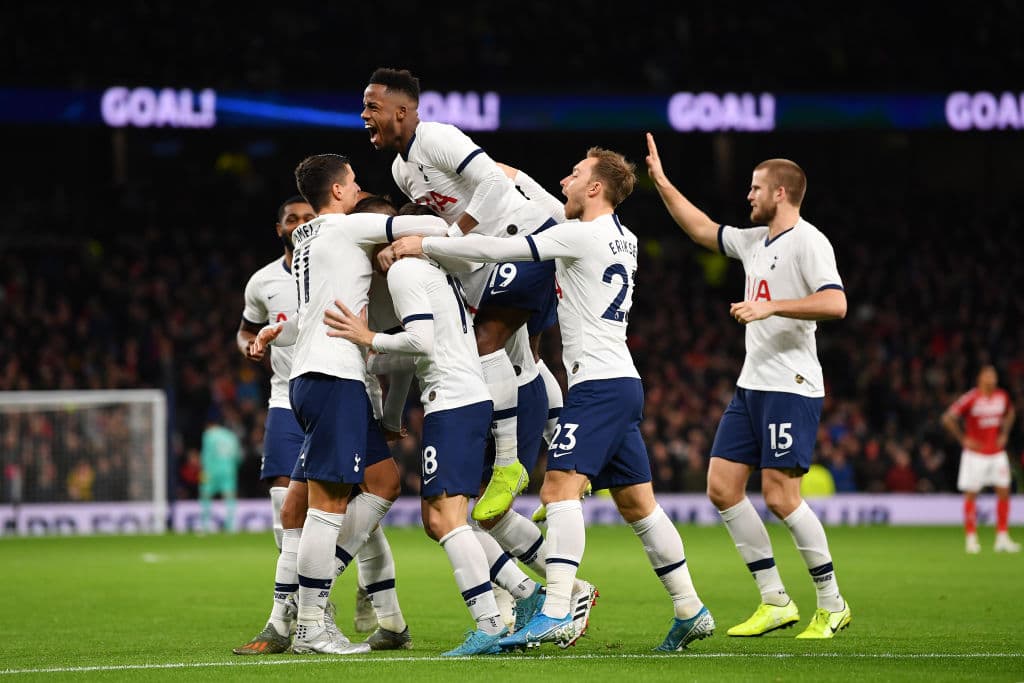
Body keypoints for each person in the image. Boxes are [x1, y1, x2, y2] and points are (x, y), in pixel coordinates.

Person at [393, 146, 714, 653]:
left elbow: (495, 251)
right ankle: (690, 608)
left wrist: (424, 247)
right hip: (622, 382)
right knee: (638, 504)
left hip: (598, 389)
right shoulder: (622, 237)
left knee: (558, 490)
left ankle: (558, 611)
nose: (564, 179)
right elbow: (541, 197)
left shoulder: (577, 236)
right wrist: (496, 169)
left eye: (575, 173)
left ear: (594, 189)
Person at [644, 132, 851, 640]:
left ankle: (832, 602)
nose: (749, 196)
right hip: (752, 385)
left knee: (781, 497)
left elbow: (835, 303)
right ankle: (775, 599)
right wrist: (663, 183)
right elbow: (701, 229)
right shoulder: (755, 241)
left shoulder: (809, 241)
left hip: (791, 384)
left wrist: (772, 306)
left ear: (781, 193)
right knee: (722, 487)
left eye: (756, 188)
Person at [252, 154, 448, 655]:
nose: (360, 189)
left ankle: (312, 591)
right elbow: (431, 222)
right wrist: (408, 237)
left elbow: (319, 307)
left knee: (383, 482)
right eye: (354, 182)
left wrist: (279, 330)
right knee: (328, 505)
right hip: (333, 376)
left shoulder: (305, 237)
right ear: (337, 191)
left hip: (318, 376)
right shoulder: (347, 227)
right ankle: (311, 625)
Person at [362, 67, 563, 521]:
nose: (364, 115)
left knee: (486, 340)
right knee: (521, 357)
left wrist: (451, 237)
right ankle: (567, 456)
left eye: (372, 107)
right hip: (486, 258)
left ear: (402, 110)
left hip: (523, 238)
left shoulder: (436, 136)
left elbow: (493, 182)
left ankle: (510, 465)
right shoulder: (400, 170)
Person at [233, 193, 413, 655]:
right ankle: (300, 619)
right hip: (316, 388)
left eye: (306, 219)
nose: (300, 225)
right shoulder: (283, 272)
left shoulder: (362, 266)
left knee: (381, 482)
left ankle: (318, 602)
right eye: (290, 219)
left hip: (341, 389)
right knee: (310, 508)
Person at [942, 364, 1019, 553]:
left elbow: (1011, 413)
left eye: (994, 375)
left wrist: (1004, 433)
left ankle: (1002, 537)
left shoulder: (1002, 396)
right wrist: (963, 439)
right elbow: (948, 418)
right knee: (971, 495)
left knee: (1004, 492)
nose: (992, 378)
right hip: (975, 455)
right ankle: (971, 538)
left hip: (997, 453)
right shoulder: (971, 398)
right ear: (980, 378)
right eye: (988, 375)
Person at [198, 415, 243, 533]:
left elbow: (206, 455)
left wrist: (204, 472)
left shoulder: (208, 435)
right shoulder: (231, 436)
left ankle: (205, 525)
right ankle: (231, 526)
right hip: (229, 470)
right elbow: (238, 456)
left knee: (205, 495)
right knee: (229, 497)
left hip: (211, 471)